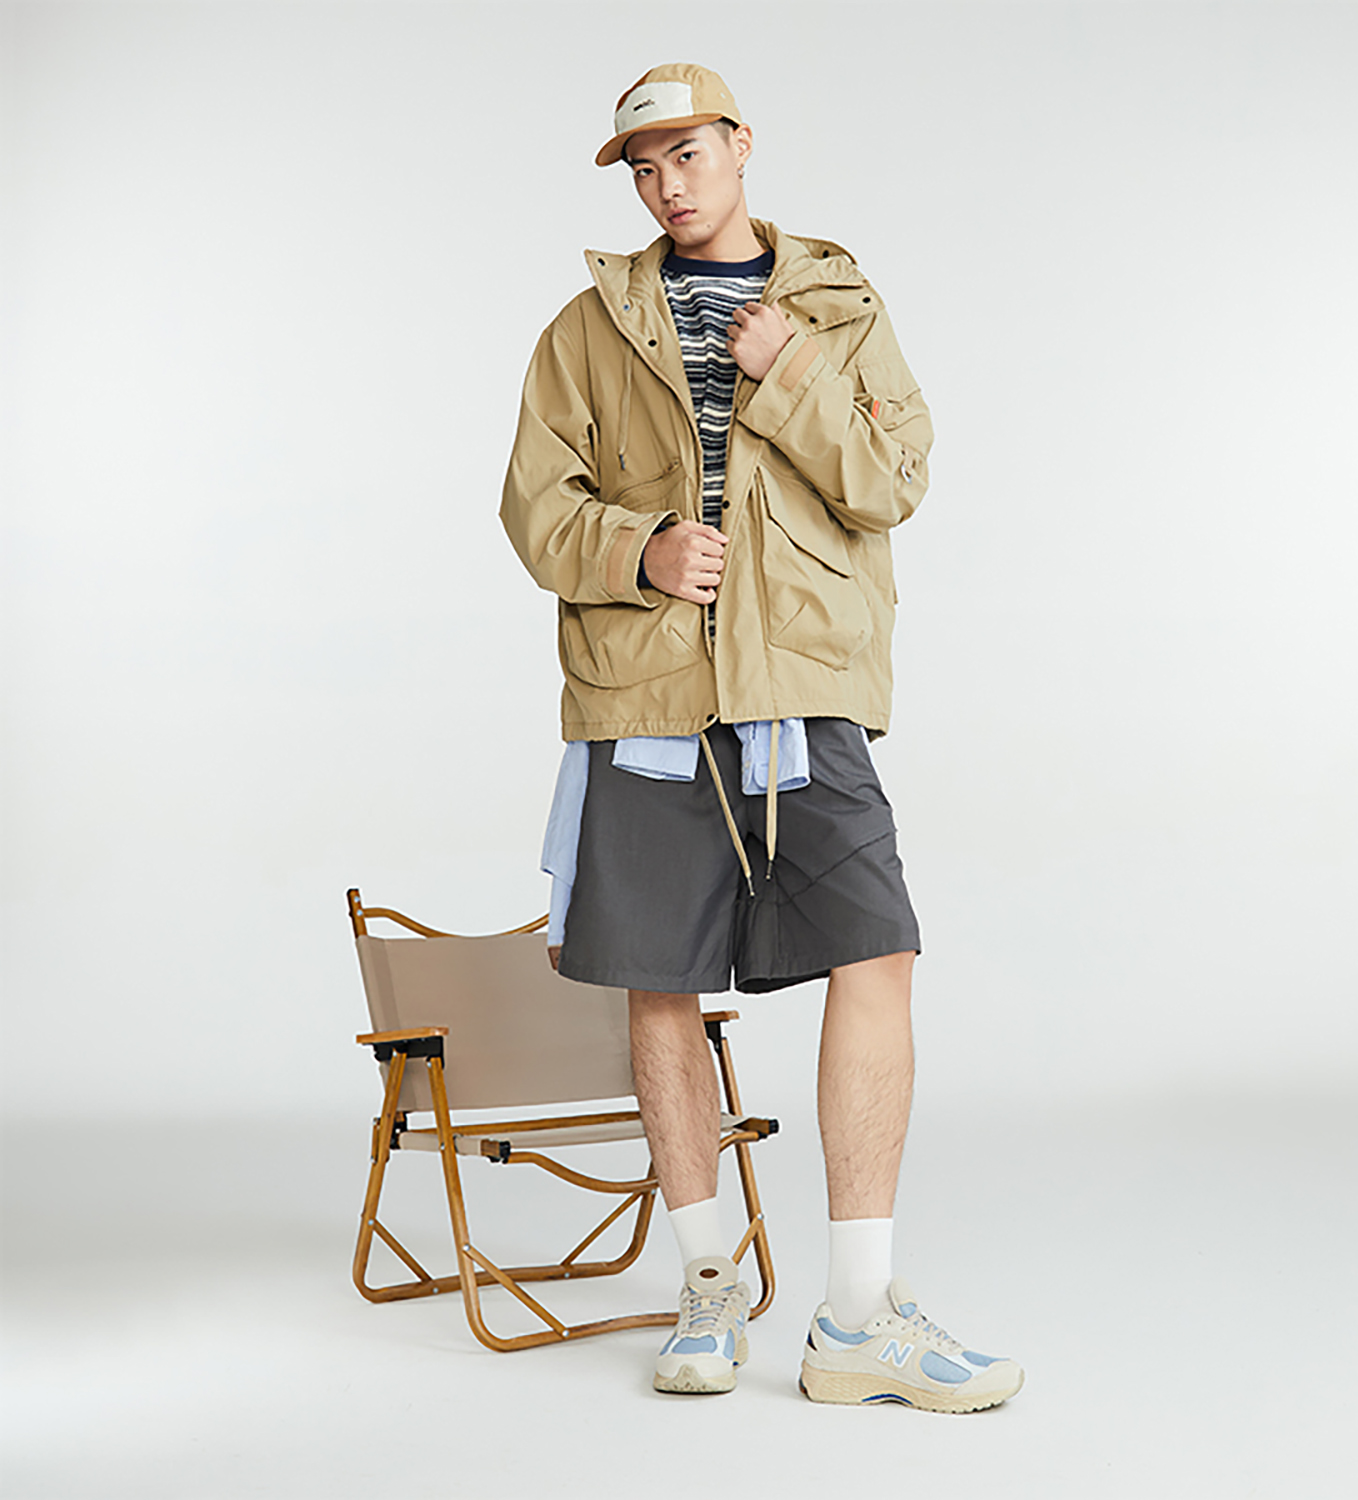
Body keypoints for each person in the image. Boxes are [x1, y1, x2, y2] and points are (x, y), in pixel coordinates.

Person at [499, 62, 1023, 1413]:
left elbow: (892, 481)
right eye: (643, 167)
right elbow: (535, 507)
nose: (666, 185)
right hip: (649, 695)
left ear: (742, 144)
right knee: (658, 982)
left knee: (879, 949)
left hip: (803, 682)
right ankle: (707, 1281)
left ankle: (856, 1315)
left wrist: (788, 371)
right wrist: (639, 551)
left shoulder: (838, 307)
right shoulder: (585, 330)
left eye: (687, 153)